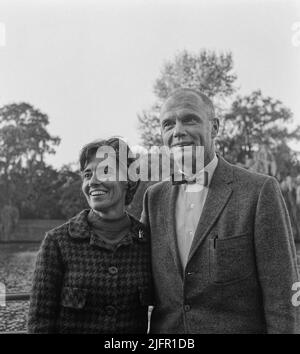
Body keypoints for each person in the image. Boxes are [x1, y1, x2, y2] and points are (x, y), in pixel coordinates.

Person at [141, 88, 300, 334]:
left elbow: (283, 295)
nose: (178, 131)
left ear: (214, 128)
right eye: (168, 124)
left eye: (189, 119)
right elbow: (140, 286)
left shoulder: (259, 191)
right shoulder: (153, 198)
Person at [28, 137, 153, 333]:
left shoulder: (146, 240)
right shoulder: (57, 242)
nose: (93, 181)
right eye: (87, 174)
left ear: (128, 181)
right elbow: (40, 325)